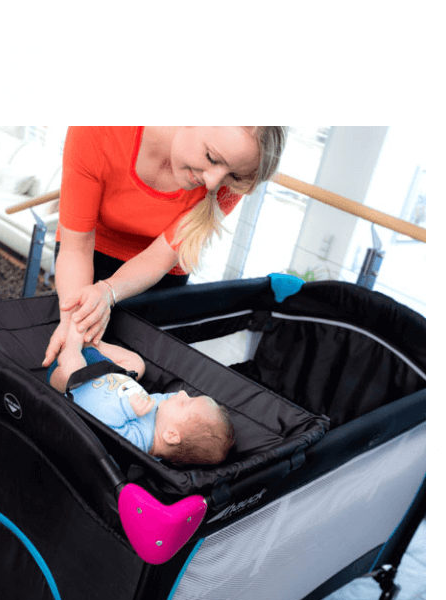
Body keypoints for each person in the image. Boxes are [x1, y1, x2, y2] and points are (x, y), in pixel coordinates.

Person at [41, 126, 287, 368]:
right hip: (88, 253)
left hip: (160, 276)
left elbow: (158, 259)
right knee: (71, 347)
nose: (213, 183)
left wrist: (108, 291)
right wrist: (74, 332)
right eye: (211, 158)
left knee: (142, 366)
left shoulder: (232, 178)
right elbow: (76, 248)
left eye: (232, 175)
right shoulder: (97, 128)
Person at [46, 318, 234, 466]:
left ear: (171, 435)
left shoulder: (140, 443)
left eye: (185, 402)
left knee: (72, 367)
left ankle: (72, 340)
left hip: (73, 385)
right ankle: (93, 344)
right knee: (137, 364)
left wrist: (128, 408)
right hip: (104, 371)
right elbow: (163, 401)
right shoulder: (164, 416)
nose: (182, 394)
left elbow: (104, 429)